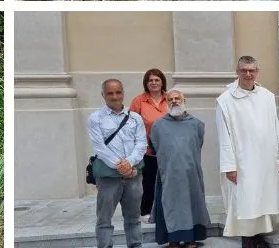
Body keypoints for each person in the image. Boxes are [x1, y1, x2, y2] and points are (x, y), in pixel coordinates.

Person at [217, 56, 279, 248]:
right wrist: (230, 166)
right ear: (237, 71)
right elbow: (224, 136)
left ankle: (260, 237)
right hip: (243, 161)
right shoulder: (226, 100)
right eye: (244, 70)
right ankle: (248, 240)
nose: (248, 74)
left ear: (257, 72)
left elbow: (275, 126)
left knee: (263, 198)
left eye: (252, 70)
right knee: (246, 201)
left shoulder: (266, 96)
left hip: (265, 159)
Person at [88, 78, 148, 248]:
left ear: (123, 93)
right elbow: (99, 147)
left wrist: (129, 163)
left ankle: (135, 245)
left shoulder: (135, 118)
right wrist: (120, 165)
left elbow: (141, 143)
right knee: (104, 219)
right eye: (110, 93)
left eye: (118, 92)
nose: (115, 96)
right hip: (108, 178)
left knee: (133, 218)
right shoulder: (95, 118)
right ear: (103, 95)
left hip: (133, 175)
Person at [152, 90, 210, 248]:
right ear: (166, 102)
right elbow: (157, 147)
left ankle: (192, 238)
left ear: (185, 100)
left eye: (178, 98)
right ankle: (174, 240)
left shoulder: (196, 124)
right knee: (171, 205)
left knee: (192, 204)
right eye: (170, 99)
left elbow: (198, 144)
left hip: (191, 173)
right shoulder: (158, 126)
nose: (174, 101)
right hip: (169, 174)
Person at [130, 69, 170, 224]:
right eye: (150, 80)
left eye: (157, 80)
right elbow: (130, 125)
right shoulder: (139, 101)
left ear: (162, 82)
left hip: (168, 149)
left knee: (168, 181)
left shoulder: (170, 98)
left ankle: (166, 209)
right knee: (149, 181)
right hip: (148, 150)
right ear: (146, 83)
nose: (154, 83)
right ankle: (146, 210)